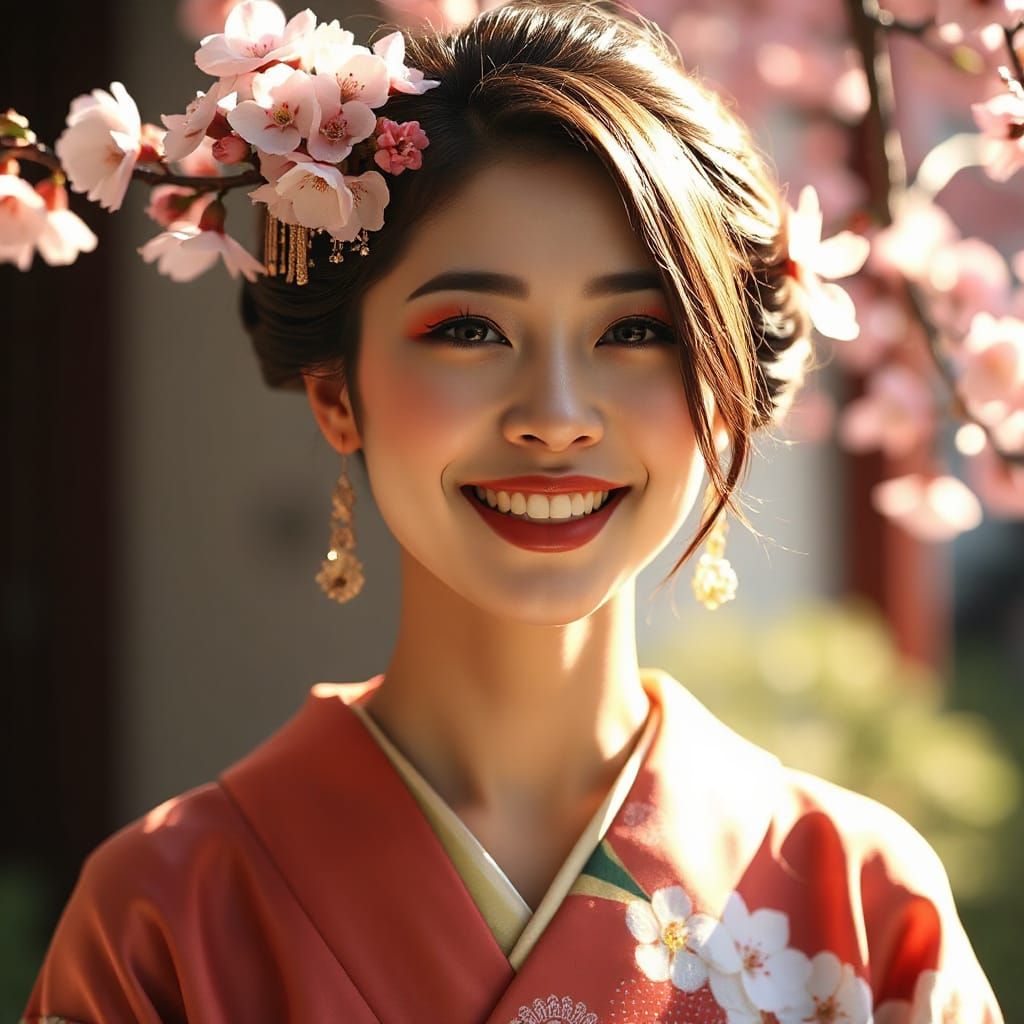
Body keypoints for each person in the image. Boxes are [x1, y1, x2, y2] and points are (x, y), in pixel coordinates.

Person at [20, 1, 1004, 1021]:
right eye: (470, 329)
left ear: (719, 388)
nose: (556, 417)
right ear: (335, 393)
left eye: (634, 329)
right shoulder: (166, 919)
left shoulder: (864, 905)